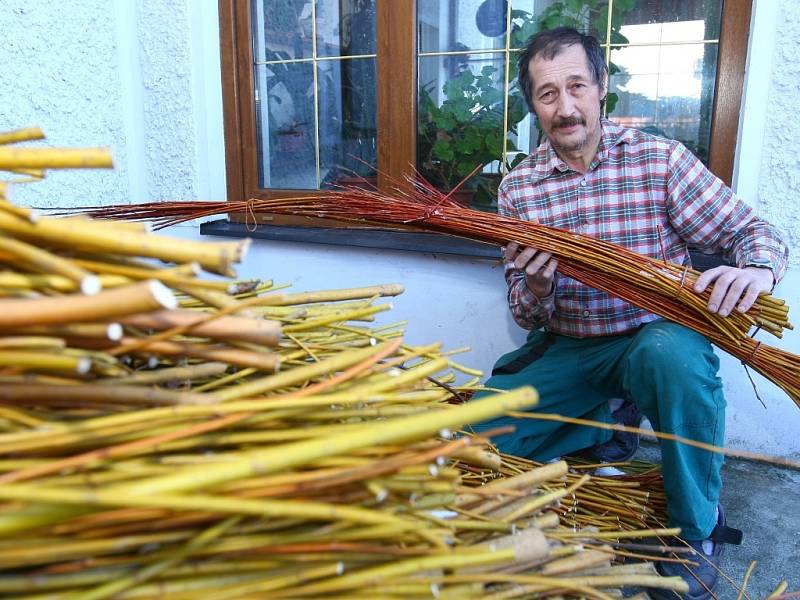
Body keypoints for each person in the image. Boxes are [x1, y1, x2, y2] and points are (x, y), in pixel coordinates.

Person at [471, 27, 788, 600]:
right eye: (547, 94)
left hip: (653, 338)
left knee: (673, 359)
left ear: (601, 88)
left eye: (576, 87)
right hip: (573, 346)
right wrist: (540, 289)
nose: (565, 108)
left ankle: (694, 533)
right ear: (533, 105)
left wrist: (757, 272)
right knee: (475, 437)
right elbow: (523, 310)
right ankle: (608, 418)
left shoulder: (657, 159)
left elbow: (753, 231)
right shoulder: (520, 190)